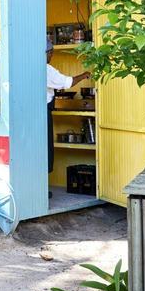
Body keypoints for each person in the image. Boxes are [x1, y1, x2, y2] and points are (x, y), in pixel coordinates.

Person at [46, 39, 90, 188]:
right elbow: (68, 83)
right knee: (46, 149)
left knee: (37, 150)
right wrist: (84, 75)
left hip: (30, 113)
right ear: (48, 53)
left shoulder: (27, 66)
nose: (51, 55)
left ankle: (37, 189)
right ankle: (41, 190)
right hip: (43, 113)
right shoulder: (46, 69)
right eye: (51, 53)